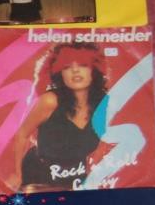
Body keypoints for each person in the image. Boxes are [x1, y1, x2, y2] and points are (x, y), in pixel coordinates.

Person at [9, 42, 106, 191]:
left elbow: (104, 144)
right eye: (67, 67)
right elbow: (22, 134)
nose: (75, 71)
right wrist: (17, 173)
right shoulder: (50, 101)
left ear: (94, 70)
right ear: (59, 73)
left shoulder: (103, 104)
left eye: (83, 65)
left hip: (75, 179)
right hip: (39, 178)